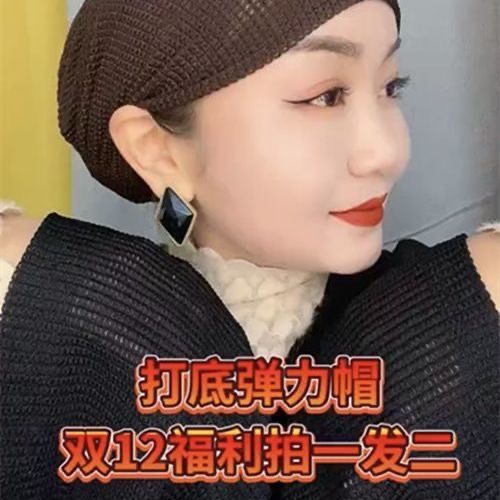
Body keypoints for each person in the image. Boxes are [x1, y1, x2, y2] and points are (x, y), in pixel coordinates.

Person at [0, 0, 498, 498]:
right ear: (156, 150)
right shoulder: (64, 343)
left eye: (391, 87)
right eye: (326, 97)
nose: (389, 151)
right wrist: (114, 312)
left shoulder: (460, 314)